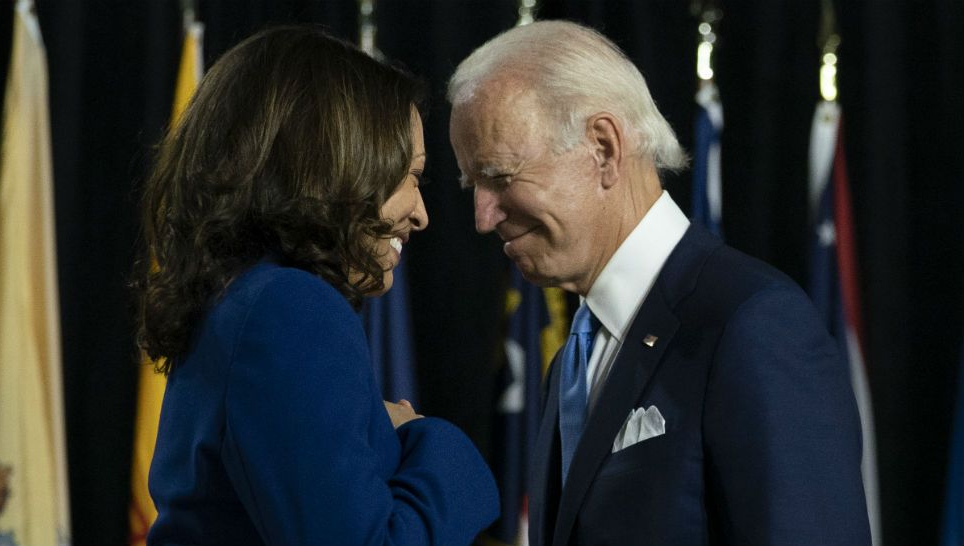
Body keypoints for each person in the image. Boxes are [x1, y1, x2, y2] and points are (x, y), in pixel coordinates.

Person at [448, 20, 870, 546]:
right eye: (473, 185)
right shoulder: (571, 361)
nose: (482, 217)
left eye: (501, 176)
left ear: (603, 148)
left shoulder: (751, 325)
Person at [134, 26, 498, 546]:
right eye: (410, 176)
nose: (420, 214)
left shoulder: (239, 298)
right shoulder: (288, 310)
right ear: (335, 165)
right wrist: (429, 441)